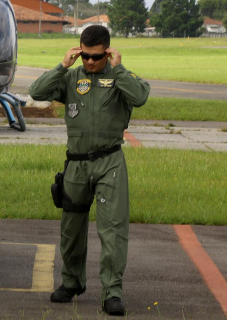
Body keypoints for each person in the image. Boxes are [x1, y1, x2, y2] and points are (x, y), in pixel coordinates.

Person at [28, 25, 150, 316]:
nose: (90, 62)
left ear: (108, 52)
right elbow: (36, 92)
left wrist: (119, 70)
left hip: (110, 162)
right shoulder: (71, 78)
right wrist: (63, 65)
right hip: (76, 164)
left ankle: (112, 292)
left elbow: (140, 97)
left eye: (96, 56)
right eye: (85, 56)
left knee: (113, 230)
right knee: (71, 229)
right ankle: (71, 282)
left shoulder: (120, 77)